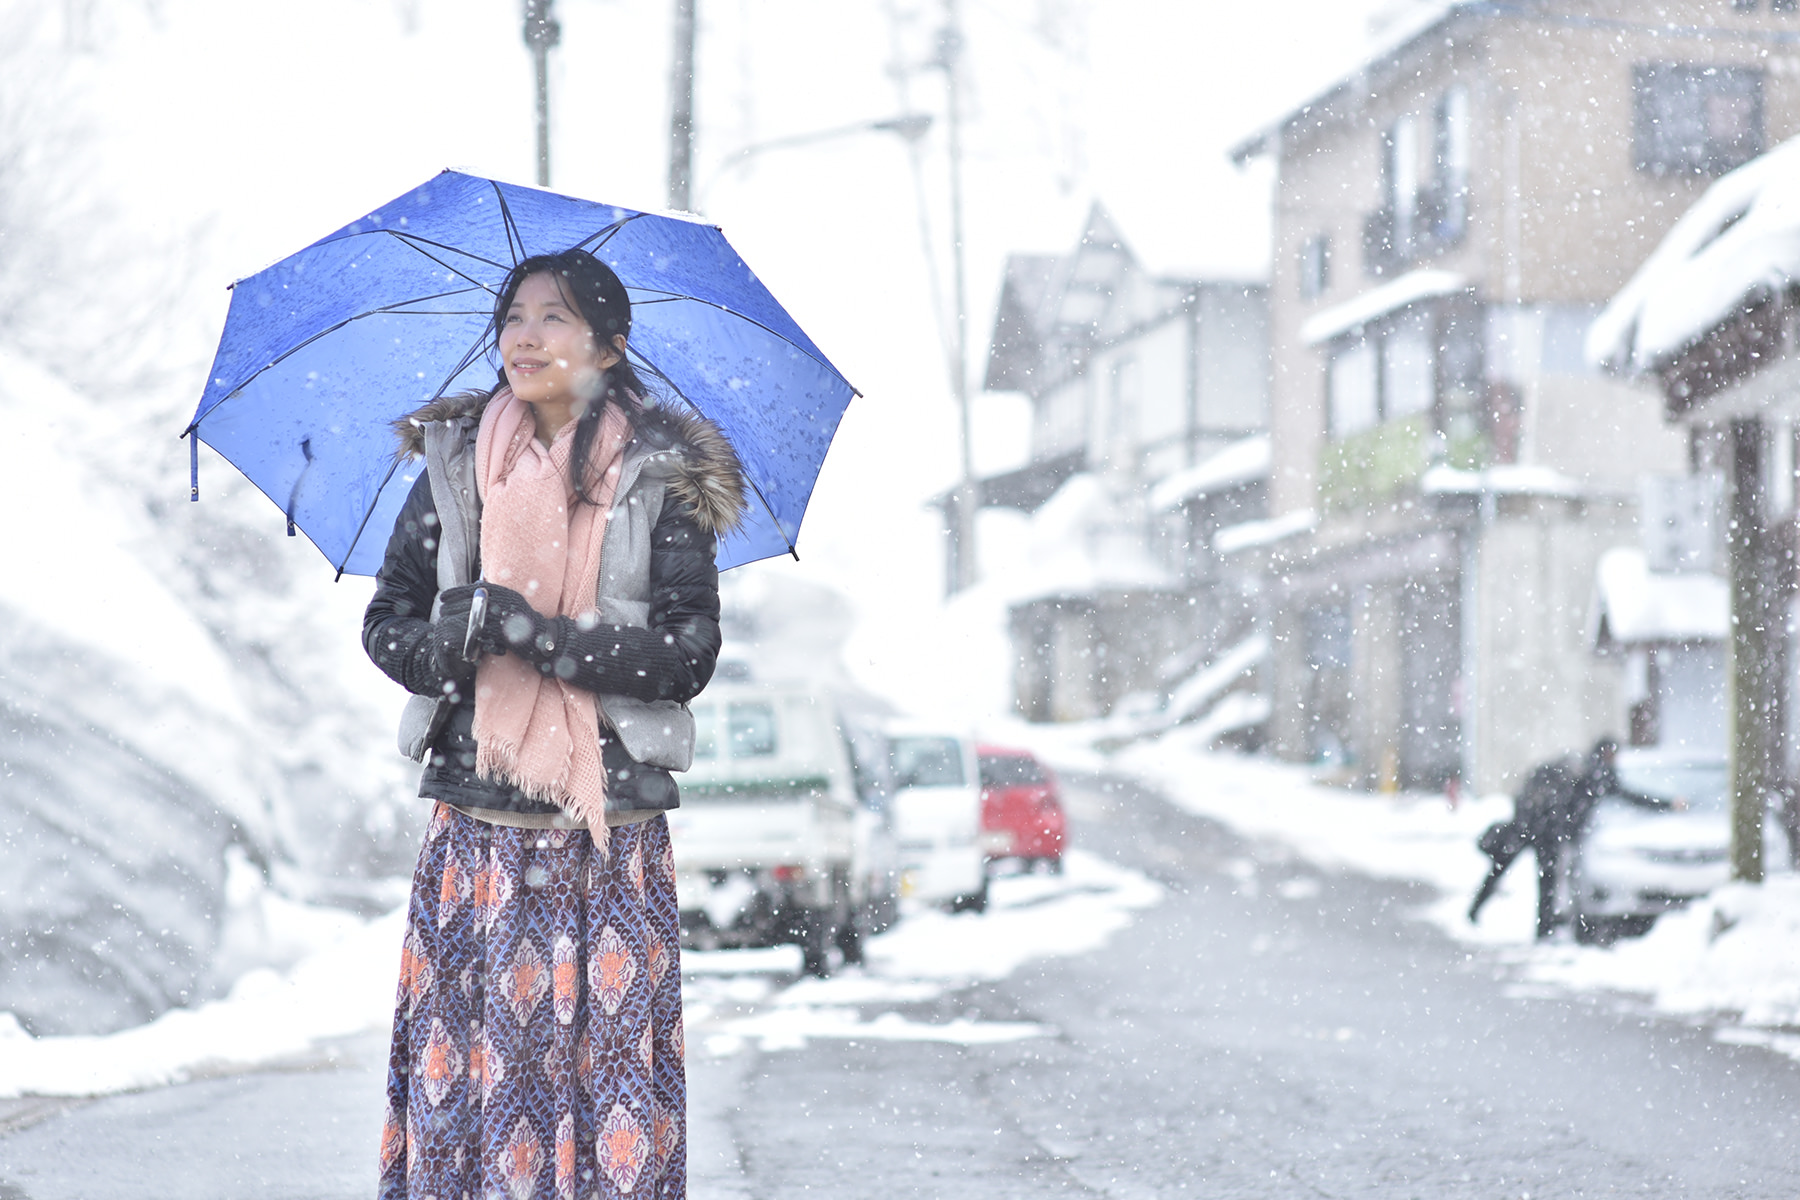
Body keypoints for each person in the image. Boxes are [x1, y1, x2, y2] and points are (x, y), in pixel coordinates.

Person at [362, 247, 746, 1200]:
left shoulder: (662, 482)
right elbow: (388, 625)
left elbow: (687, 656)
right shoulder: (454, 467)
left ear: (609, 349)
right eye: (514, 316)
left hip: (605, 833)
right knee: (474, 1080)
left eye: (553, 318)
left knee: (599, 1078)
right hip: (476, 833)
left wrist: (546, 639)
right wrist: (459, 635)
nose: (523, 337)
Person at [1468, 737, 1677, 938]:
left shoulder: (1579, 768)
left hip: (1529, 823)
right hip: (1549, 830)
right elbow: (1630, 797)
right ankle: (1544, 928)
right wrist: (1667, 805)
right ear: (1606, 753)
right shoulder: (1598, 774)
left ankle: (1477, 911)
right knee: (1546, 881)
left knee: (1506, 870)